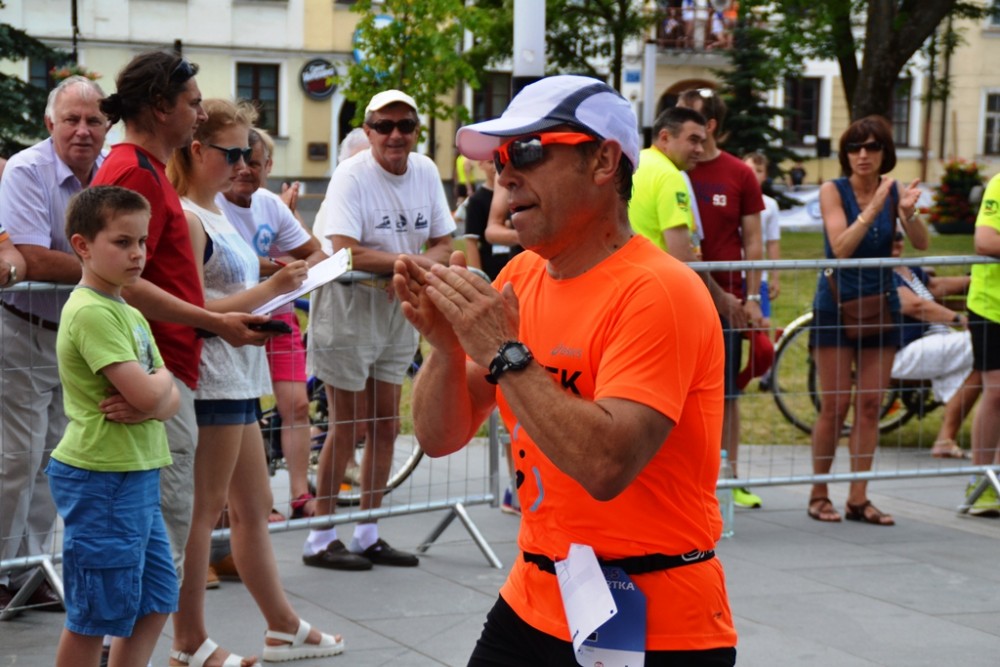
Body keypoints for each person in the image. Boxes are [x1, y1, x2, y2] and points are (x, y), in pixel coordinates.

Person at [397, 74, 737, 665]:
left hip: (657, 617)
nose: (505, 175)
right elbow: (439, 436)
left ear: (603, 161)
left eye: (528, 151)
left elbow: (606, 466)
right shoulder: (520, 277)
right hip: (535, 593)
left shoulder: (661, 291)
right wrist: (447, 349)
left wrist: (504, 353)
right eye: (500, 159)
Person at [166, 98, 342, 666]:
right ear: (198, 150)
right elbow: (190, 310)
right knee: (204, 514)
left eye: (249, 153)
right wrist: (272, 288)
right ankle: (188, 641)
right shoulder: (188, 217)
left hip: (238, 377)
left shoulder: (214, 210)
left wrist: (273, 287)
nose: (245, 164)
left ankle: (282, 625)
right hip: (212, 380)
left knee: (254, 504)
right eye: (234, 153)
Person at [92, 51, 273, 585]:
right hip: (160, 367)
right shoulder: (133, 170)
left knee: (167, 532)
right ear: (159, 106)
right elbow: (120, 282)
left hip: (169, 370)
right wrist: (214, 323)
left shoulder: (144, 169)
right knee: (164, 540)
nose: (201, 113)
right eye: (193, 103)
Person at [304, 89, 454, 571]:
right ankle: (321, 534)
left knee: (386, 423)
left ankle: (367, 530)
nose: (395, 135)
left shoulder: (425, 170)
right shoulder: (351, 174)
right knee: (346, 426)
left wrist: (403, 269)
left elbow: (446, 242)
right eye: (384, 126)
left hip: (396, 302)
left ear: (417, 131)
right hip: (349, 303)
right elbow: (347, 251)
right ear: (368, 132)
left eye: (405, 126)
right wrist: (408, 263)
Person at [46, 186, 180, 667]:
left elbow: (167, 400)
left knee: (156, 596)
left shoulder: (129, 311)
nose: (138, 253)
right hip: (102, 477)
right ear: (82, 246)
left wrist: (155, 394)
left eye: (142, 241)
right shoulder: (90, 312)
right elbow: (154, 390)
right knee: (95, 613)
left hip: (134, 470)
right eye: (122, 242)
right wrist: (158, 388)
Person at [0, 75, 107, 613]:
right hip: (22, 332)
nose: (83, 130)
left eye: (93, 120)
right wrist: (104, 268)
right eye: (72, 119)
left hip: (78, 338)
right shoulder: (26, 170)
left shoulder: (111, 172)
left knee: (54, 460)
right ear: (50, 123)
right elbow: (33, 258)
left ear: (107, 124)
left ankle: (31, 571)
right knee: (16, 461)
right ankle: (2, 569)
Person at [806, 115, 927, 525]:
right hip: (836, 304)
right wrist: (874, 206)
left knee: (872, 404)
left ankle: (858, 498)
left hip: (881, 303)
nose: (863, 155)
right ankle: (819, 494)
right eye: (855, 147)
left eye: (872, 147)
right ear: (845, 154)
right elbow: (840, 247)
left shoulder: (895, 190)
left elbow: (922, 242)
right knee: (835, 405)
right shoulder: (832, 190)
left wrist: (908, 213)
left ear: (884, 153)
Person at [218, 127, 327, 523]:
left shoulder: (269, 205)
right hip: (232, 317)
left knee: (296, 404)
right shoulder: (212, 204)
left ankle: (299, 494)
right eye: (236, 159)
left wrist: (287, 271)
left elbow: (316, 253)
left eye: (254, 162)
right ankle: (244, 505)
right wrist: (274, 269)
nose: (245, 169)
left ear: (268, 165)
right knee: (239, 412)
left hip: (278, 314)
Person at [676, 87, 764, 509]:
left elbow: (754, 239)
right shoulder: (670, 169)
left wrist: (754, 296)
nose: (677, 123)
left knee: (727, 392)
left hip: (727, 300)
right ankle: (684, 478)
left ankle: (728, 478)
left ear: (709, 125)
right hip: (678, 296)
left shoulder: (739, 173)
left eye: (688, 116)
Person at [964, 170, 1000, 516]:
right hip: (991, 306)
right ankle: (981, 480)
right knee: (997, 391)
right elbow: (985, 241)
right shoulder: (999, 184)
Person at [629, 105, 705, 261]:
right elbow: (682, 255)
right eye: (693, 140)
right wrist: (708, 278)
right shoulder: (669, 176)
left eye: (701, 142)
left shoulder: (636, 162)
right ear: (665, 138)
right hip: (656, 272)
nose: (700, 149)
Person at [736, 152, 781, 391]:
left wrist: (775, 276)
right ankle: (732, 375)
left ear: (765, 176)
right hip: (734, 274)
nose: (753, 175)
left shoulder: (770, 205)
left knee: (763, 325)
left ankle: (764, 375)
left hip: (757, 277)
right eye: (749, 169)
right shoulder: (734, 198)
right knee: (736, 329)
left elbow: (772, 242)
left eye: (759, 171)